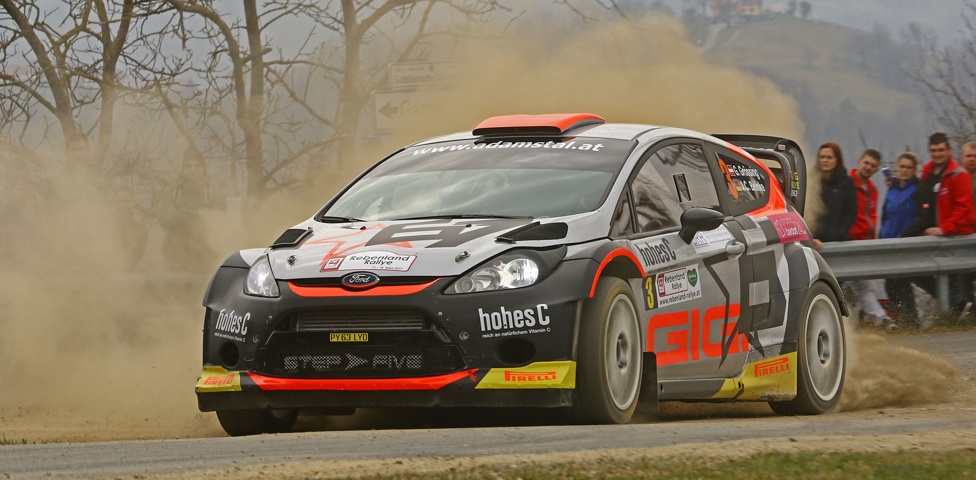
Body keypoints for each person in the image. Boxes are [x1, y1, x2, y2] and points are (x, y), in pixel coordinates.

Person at [902, 133, 976, 326]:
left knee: (952, 280)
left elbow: (964, 209)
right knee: (921, 274)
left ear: (949, 150)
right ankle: (959, 308)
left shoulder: (958, 174)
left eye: (941, 150)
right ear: (929, 151)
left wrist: (945, 229)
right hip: (934, 236)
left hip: (954, 237)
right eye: (934, 150)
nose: (937, 154)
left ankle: (959, 310)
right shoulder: (928, 171)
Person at [845, 149, 894, 328]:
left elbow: (872, 217)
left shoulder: (872, 189)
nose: (868, 167)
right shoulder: (847, 183)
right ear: (859, 161)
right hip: (848, 244)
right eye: (866, 163)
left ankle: (854, 325)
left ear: (876, 169)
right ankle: (881, 319)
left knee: (855, 288)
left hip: (864, 245)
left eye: (873, 166)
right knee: (860, 286)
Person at [159, 147, 226, 273]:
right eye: (188, 166)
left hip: (206, 258)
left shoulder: (214, 194)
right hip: (175, 258)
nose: (192, 169)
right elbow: (165, 220)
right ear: (183, 169)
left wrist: (180, 213)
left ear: (203, 168)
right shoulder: (171, 193)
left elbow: (218, 223)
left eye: (197, 165)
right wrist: (199, 214)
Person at [880, 152, 922, 321]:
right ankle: (901, 318)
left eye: (909, 167)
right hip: (887, 242)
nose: (905, 170)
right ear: (897, 167)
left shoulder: (917, 189)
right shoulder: (892, 188)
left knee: (902, 283)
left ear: (914, 170)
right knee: (889, 284)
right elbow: (885, 214)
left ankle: (911, 320)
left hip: (905, 243)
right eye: (902, 166)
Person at [811, 142, 856, 251]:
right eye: (822, 157)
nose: (825, 160)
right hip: (813, 240)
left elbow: (850, 211)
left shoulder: (846, 183)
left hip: (836, 242)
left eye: (829, 157)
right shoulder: (811, 180)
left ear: (837, 160)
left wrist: (840, 232)